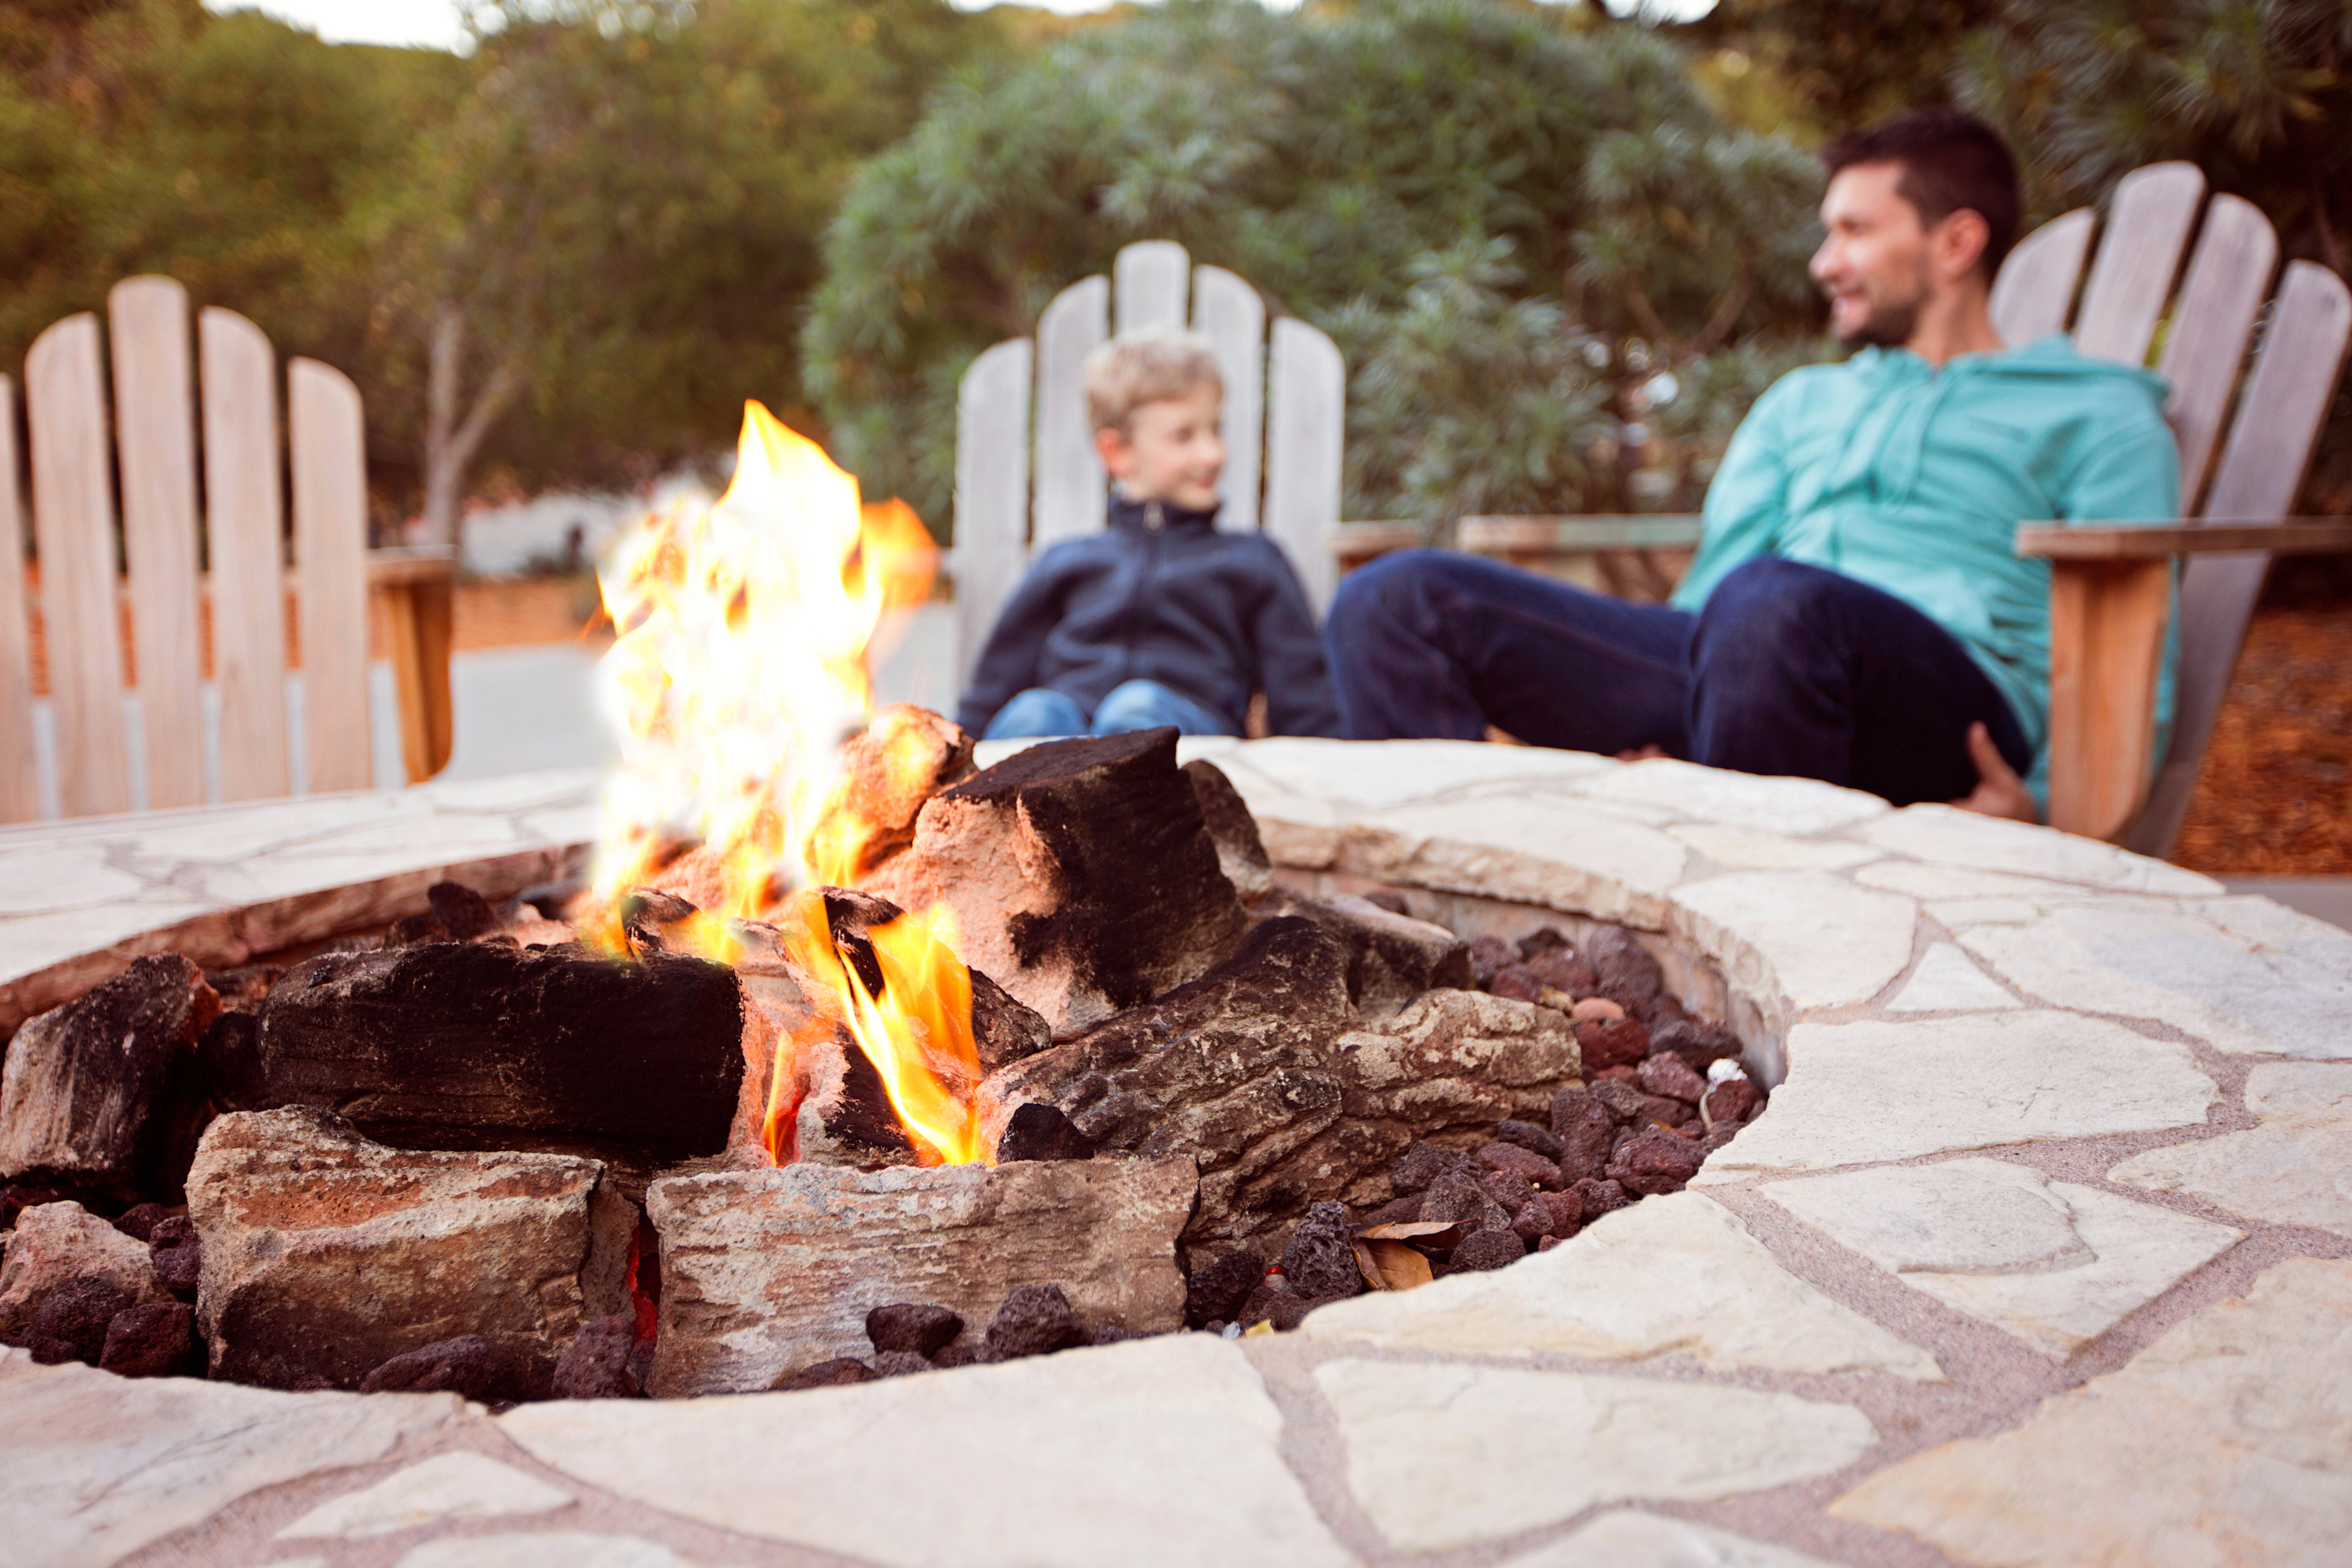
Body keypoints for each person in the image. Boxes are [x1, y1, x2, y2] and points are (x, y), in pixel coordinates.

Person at [1324, 109, 2180, 821]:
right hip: (1750, 656)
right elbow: (1715, 592)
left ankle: (1747, 925)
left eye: (1853, 231)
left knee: (1774, 605)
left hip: (1949, 712)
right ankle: (1471, 932)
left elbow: (2141, 647)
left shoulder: (2097, 413)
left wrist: (2040, 803)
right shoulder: (1801, 404)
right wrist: (1676, 704)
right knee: (1392, 601)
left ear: (1955, 243)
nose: (1824, 263)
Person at [957, 330, 1341, 741]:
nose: (1213, 453)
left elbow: (1306, 705)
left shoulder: (1253, 561)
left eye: (1216, 430)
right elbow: (991, 693)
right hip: (1064, 748)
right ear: (1117, 453)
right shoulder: (1065, 562)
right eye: (1184, 436)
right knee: (1035, 712)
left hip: (1189, 744)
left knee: (1137, 708)